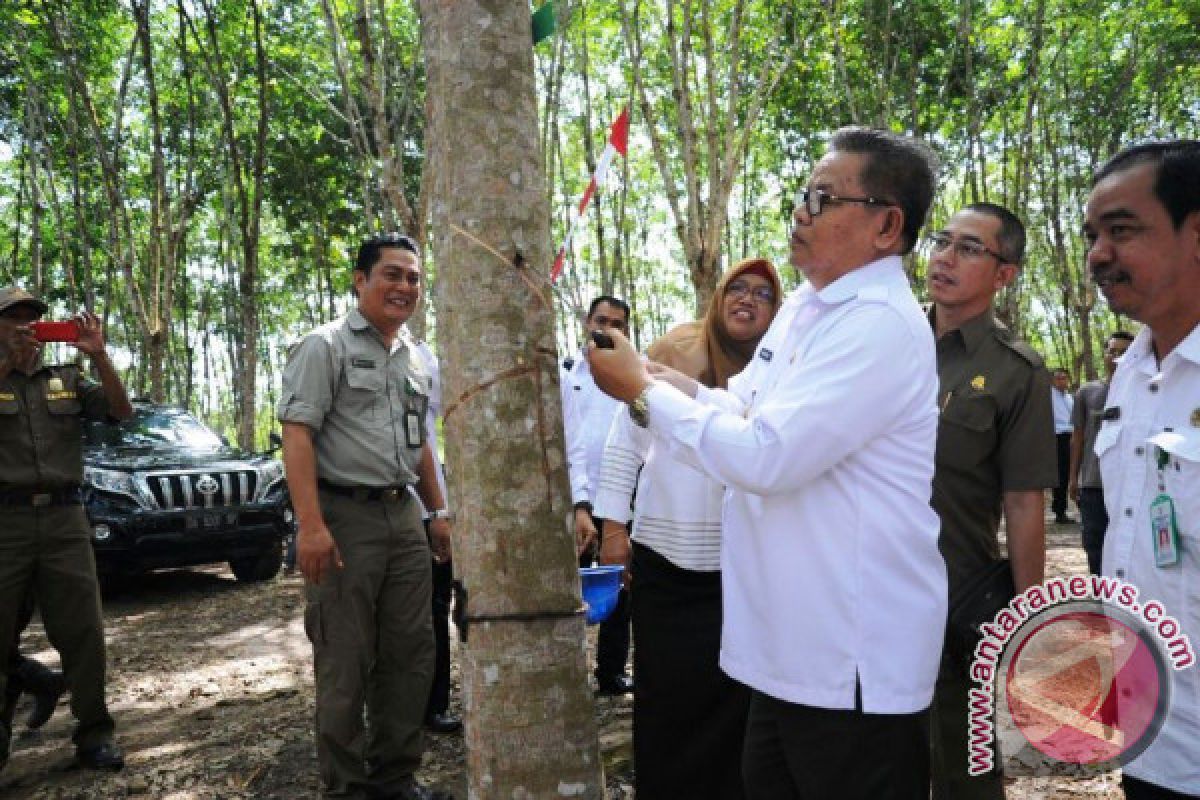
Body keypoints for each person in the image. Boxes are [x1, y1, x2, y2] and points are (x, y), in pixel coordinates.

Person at [588, 127, 946, 799]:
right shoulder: (809, 307)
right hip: (784, 651)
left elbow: (767, 456)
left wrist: (640, 389)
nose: (801, 213)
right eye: (802, 196)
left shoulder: (877, 324)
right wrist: (654, 378)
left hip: (852, 658)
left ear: (886, 224)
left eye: (822, 198)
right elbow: (739, 406)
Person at [594, 257, 782, 799]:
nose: (747, 300)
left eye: (763, 295)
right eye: (738, 289)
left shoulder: (780, 373)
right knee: (668, 699)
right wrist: (613, 528)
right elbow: (622, 445)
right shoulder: (667, 354)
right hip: (666, 569)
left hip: (744, 571)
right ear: (719, 297)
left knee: (736, 702)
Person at [278, 234, 454, 800]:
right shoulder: (322, 346)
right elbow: (297, 434)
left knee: (411, 652)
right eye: (392, 275)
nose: (404, 286)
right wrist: (311, 525)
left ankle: (395, 777)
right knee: (346, 658)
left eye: (413, 278)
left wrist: (438, 511)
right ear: (360, 280)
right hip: (341, 515)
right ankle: (348, 787)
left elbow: (421, 440)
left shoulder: (414, 357)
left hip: (402, 515)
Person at [923, 203, 1057, 799]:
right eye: (942, 240)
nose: (945, 257)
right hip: (859, 590)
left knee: (962, 766)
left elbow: (1024, 501)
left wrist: (1026, 622)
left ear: (1005, 273)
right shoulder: (886, 338)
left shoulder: (1016, 371)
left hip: (954, 595)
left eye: (970, 248)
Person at [1086, 139, 1200, 800]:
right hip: (1153, 740)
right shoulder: (1132, 375)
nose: (1099, 254)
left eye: (1122, 230)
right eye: (1093, 235)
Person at [0, 285, 131, 772]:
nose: (24, 326)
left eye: (32, 318)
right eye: (13, 318)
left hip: (64, 519)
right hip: (5, 521)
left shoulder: (67, 379)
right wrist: (7, 364)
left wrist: (99, 357)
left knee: (83, 632)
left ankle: (94, 733)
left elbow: (122, 412)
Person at [561, 295, 634, 696]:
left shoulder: (632, 377)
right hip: (573, 500)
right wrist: (577, 502)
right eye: (601, 320)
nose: (607, 329)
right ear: (587, 324)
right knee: (567, 589)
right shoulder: (565, 372)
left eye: (617, 323)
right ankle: (569, 674)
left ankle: (611, 672)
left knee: (619, 587)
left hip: (617, 499)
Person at [412, 339, 461, 735]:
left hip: (431, 504)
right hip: (371, 504)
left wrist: (438, 511)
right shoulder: (336, 347)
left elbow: (455, 408)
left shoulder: (425, 354)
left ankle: (434, 703)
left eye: (414, 278)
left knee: (435, 606)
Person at [1067, 330, 1133, 574]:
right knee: (1094, 545)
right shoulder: (1087, 392)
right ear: (1103, 355)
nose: (1116, 357)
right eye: (1112, 351)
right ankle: (1099, 603)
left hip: (1129, 483)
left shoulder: (1144, 391)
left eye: (1124, 352)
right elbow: (1078, 437)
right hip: (1094, 483)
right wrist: (1074, 478)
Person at [1050, 367, 1075, 524]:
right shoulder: (1047, 395)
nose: (1062, 381)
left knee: (1071, 473)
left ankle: (1065, 508)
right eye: (1058, 378)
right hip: (1058, 437)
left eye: (1064, 378)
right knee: (1060, 474)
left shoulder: (1069, 397)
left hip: (1071, 436)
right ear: (1052, 380)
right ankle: (1059, 511)